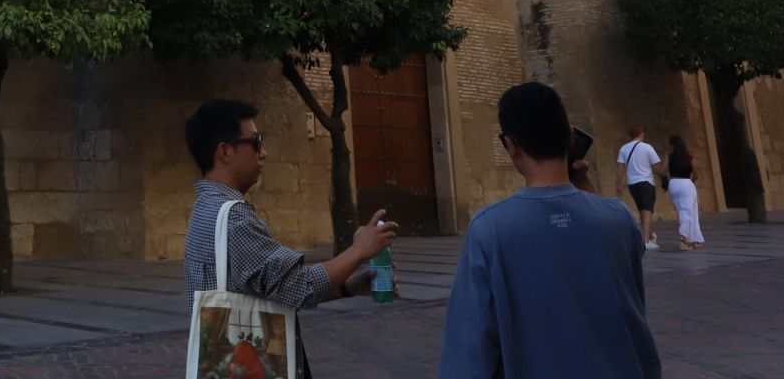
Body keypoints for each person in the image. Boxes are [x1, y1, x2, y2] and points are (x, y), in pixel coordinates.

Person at [438, 82, 661, 379]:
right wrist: (583, 181)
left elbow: (468, 353)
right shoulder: (619, 220)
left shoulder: (490, 229)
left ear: (510, 146)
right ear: (570, 136)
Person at [182, 99, 395, 378]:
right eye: (255, 142)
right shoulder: (234, 219)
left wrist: (348, 286)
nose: (264, 153)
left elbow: (276, 289)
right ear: (225, 151)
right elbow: (298, 286)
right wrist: (359, 250)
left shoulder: (205, 207)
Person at [615, 124, 666, 249]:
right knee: (647, 209)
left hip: (632, 184)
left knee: (643, 209)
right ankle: (646, 240)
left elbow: (620, 168)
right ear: (641, 134)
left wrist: (618, 184)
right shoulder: (647, 147)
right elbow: (657, 167)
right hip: (646, 182)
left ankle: (649, 236)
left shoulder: (624, 149)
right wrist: (664, 171)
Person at [665, 134, 704, 251]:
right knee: (689, 212)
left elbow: (664, 171)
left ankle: (694, 239)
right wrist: (690, 182)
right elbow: (696, 175)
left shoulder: (669, 156)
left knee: (683, 211)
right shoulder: (690, 158)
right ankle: (683, 238)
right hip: (686, 184)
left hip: (673, 184)